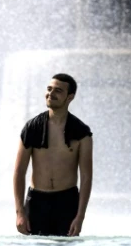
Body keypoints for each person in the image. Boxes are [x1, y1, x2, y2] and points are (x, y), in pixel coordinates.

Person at [14, 73, 93, 237]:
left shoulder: (81, 133)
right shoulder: (32, 128)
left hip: (66, 201)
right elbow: (19, 172)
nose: (51, 93)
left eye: (58, 91)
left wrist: (80, 217)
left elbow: (86, 176)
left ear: (70, 97)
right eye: (49, 89)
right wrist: (19, 212)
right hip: (36, 201)